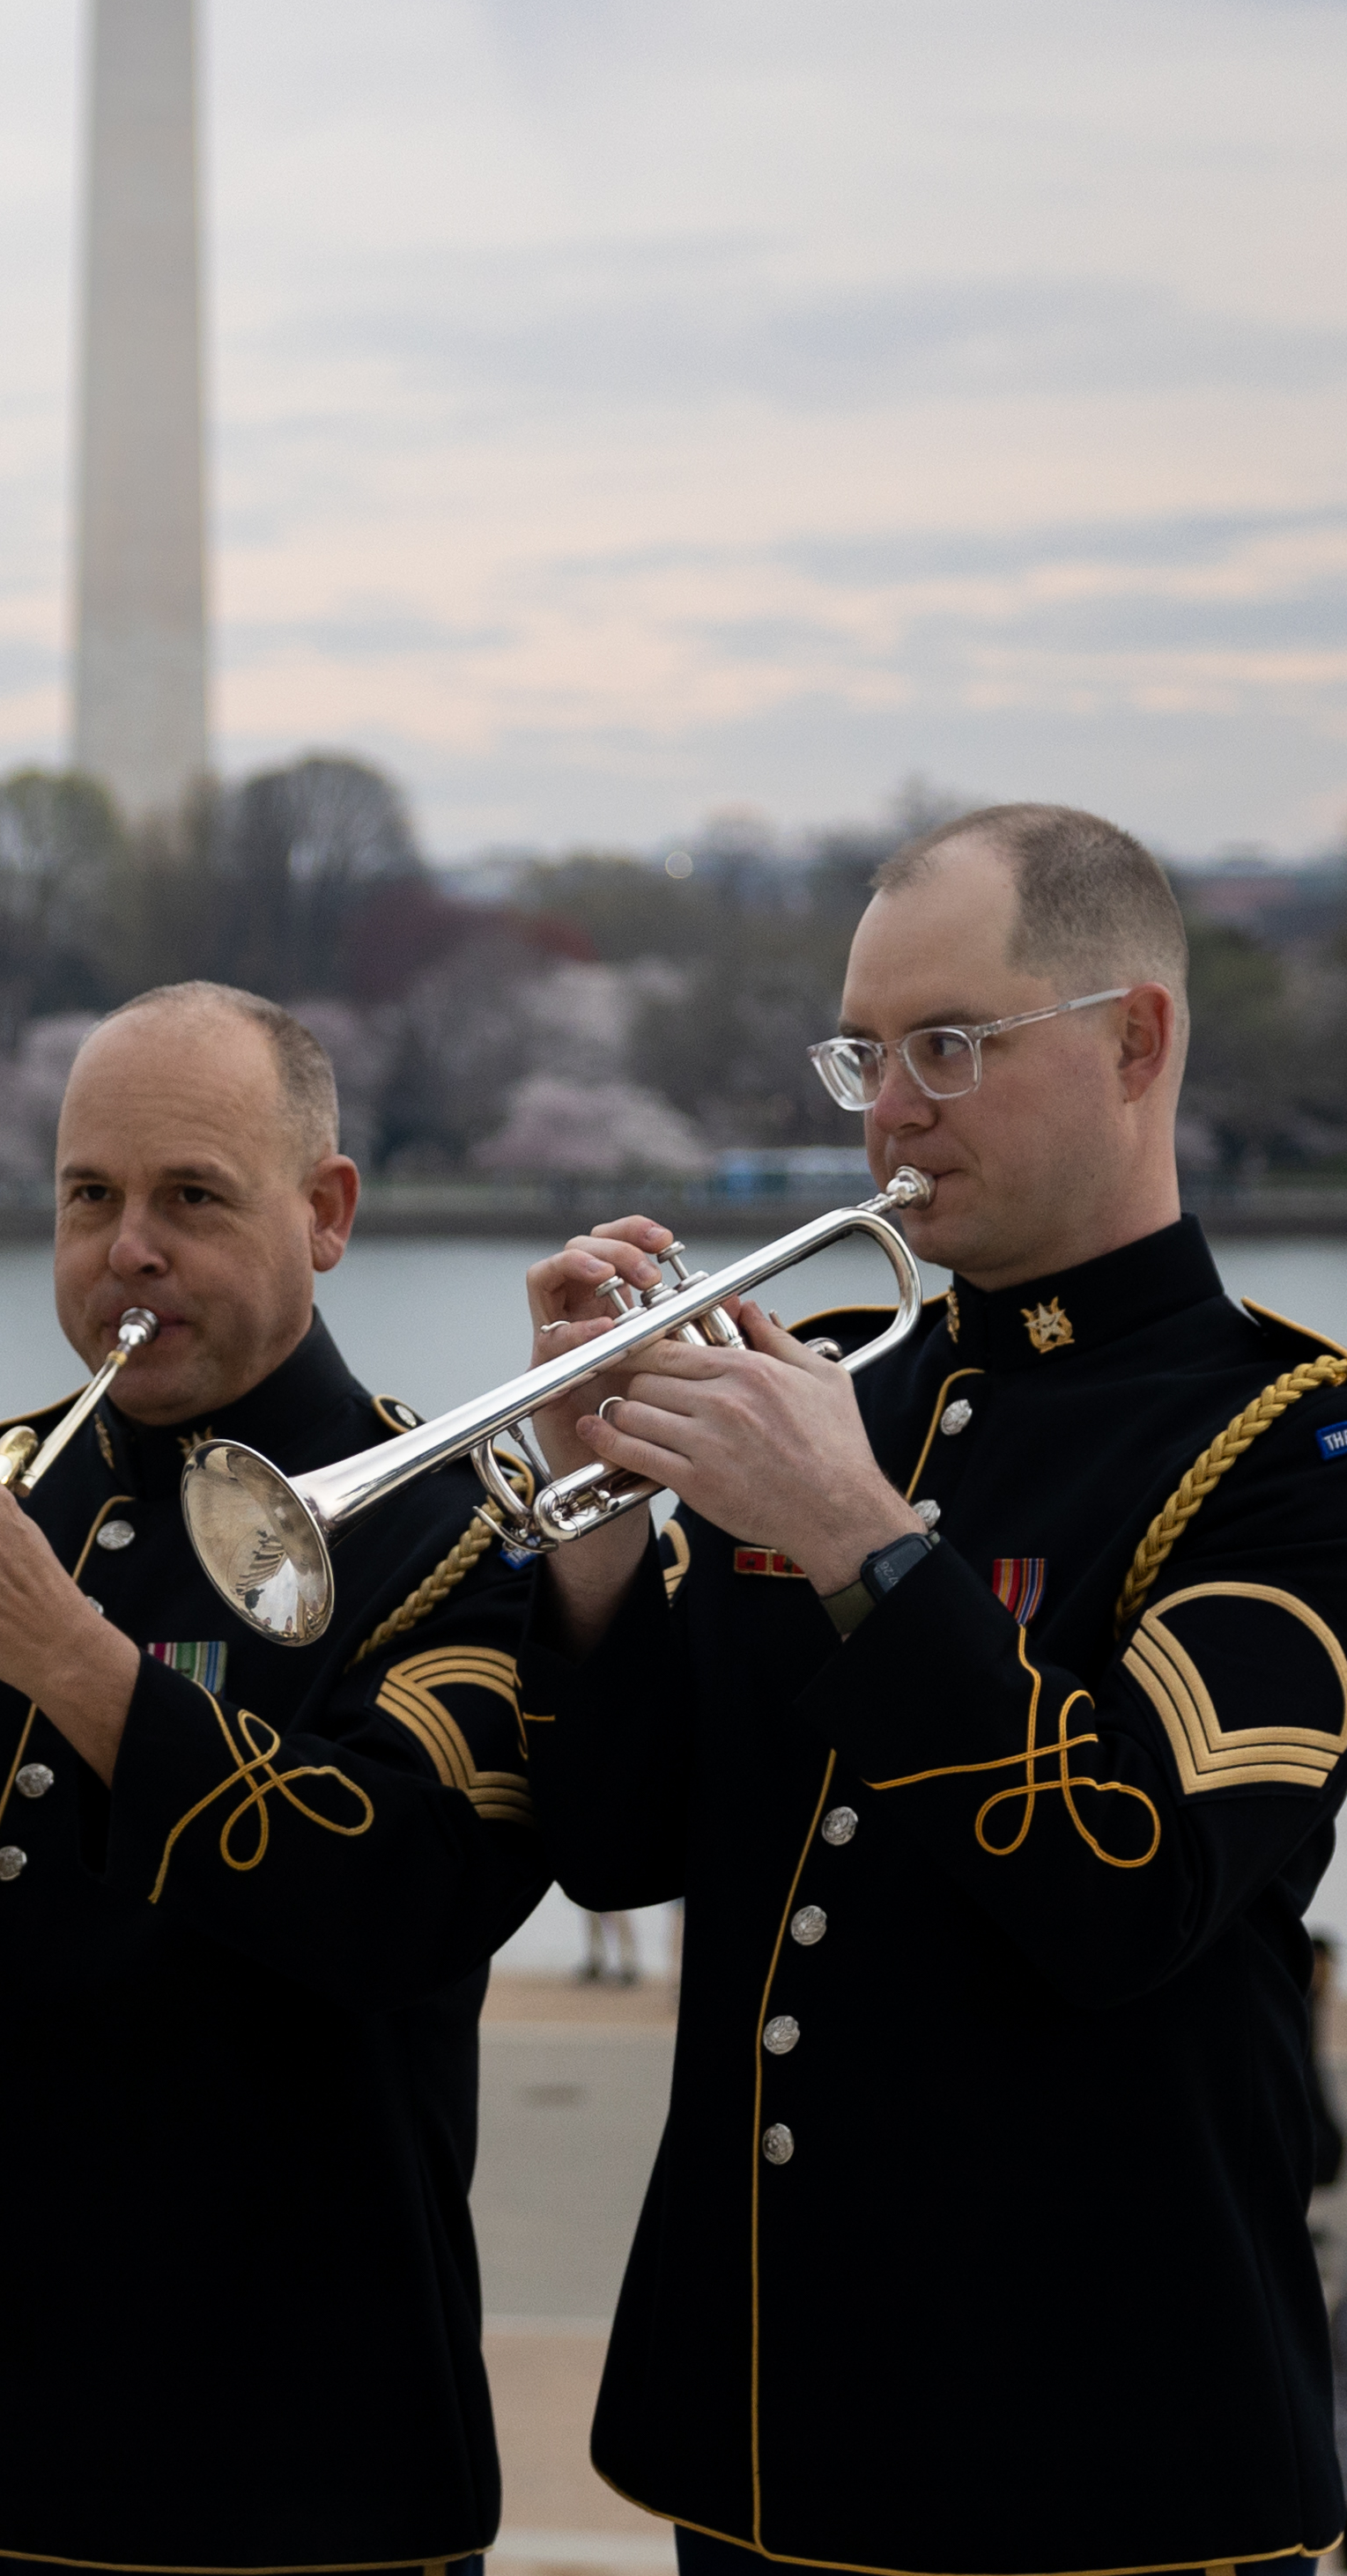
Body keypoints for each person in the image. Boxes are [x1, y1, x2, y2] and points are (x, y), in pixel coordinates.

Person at [520, 803, 1347, 2570]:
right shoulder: (830, 1392)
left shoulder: (1286, 1446)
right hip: (753, 2459)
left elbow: (1132, 1895)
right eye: (864, 1053)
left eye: (950, 1045)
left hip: (1098, 2479)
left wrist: (865, 1549)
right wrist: (586, 1525)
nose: (890, 1107)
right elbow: (614, 1842)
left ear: (1135, 1042)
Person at [0, 982, 549, 2567]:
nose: (122, 1248)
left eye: (188, 1197)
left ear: (326, 1210)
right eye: (87, 1195)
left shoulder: (457, 1531)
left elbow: (403, 1896)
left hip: (280, 2490)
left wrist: (72, 1658)